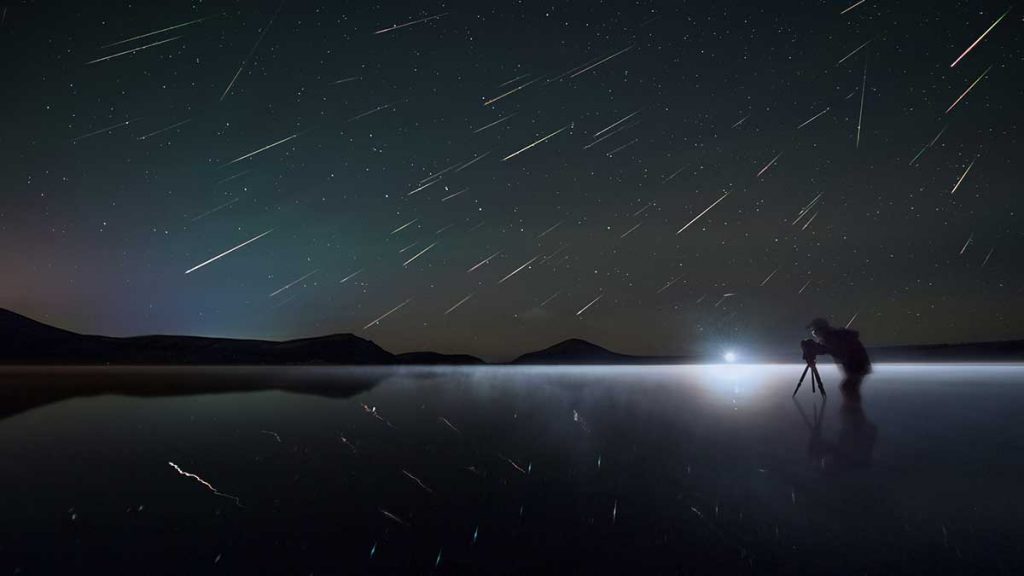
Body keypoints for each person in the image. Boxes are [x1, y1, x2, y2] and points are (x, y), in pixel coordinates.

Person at [801, 317, 871, 402]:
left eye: (814, 331)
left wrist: (812, 347)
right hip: (858, 365)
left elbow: (827, 349)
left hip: (856, 366)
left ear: (820, 329)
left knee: (848, 388)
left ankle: (852, 409)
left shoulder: (831, 337)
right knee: (848, 387)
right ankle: (852, 408)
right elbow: (828, 349)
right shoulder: (834, 336)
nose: (814, 334)